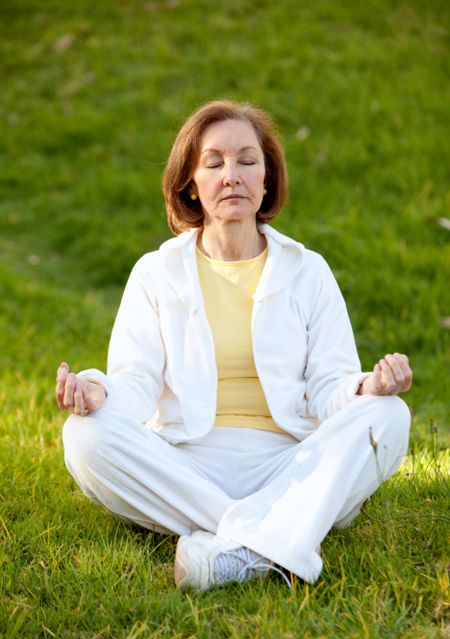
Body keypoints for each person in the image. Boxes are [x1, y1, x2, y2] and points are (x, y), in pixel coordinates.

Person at [56, 100, 412, 591]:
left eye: (248, 161)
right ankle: (275, 538)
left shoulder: (309, 271)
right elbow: (135, 383)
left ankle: (232, 548)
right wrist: (99, 393)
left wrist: (369, 386)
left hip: (288, 461)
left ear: (267, 179)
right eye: (214, 163)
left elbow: (328, 386)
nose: (232, 176)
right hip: (187, 460)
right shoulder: (155, 273)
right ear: (191, 184)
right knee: (83, 436)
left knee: (389, 415)